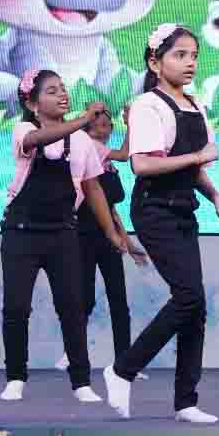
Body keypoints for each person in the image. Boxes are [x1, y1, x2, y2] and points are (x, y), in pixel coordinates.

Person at [104, 23, 219, 423]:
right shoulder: (148, 105)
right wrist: (197, 157)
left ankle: (185, 401)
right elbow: (143, 164)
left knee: (196, 306)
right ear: (155, 62)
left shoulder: (197, 106)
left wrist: (216, 197)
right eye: (180, 55)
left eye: (194, 55)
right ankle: (123, 369)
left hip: (183, 209)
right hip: (154, 209)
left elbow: (195, 169)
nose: (190, 62)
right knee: (189, 297)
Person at [1, 68, 127, 404]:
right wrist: (83, 119)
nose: (62, 95)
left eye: (63, 89)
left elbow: (93, 188)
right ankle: (15, 378)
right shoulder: (25, 130)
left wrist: (112, 233)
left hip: (62, 233)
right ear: (32, 103)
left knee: (72, 308)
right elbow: (38, 140)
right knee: (16, 308)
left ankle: (81, 382)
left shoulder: (81, 141)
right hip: (21, 232)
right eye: (52, 91)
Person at [60, 106, 148, 380]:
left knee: (118, 301)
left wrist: (127, 242)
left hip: (106, 238)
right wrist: (132, 124)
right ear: (88, 127)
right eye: (100, 124)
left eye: (109, 125)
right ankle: (72, 354)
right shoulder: (91, 148)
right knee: (85, 298)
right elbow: (125, 154)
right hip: (83, 236)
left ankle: (125, 363)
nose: (106, 129)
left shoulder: (105, 160)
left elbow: (109, 207)